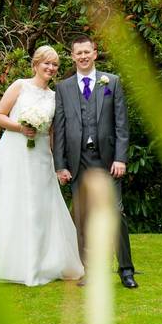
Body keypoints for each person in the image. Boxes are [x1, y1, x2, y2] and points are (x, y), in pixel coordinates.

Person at [0, 46, 84, 286]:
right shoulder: (19, 85)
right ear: (35, 65)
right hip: (13, 152)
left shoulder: (54, 97)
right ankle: (8, 263)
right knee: (13, 204)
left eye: (54, 65)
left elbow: (53, 132)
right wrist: (20, 127)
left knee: (39, 206)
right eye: (46, 63)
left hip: (39, 156)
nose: (50, 68)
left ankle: (39, 262)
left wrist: (56, 162)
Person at [53, 35, 138, 289]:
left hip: (107, 161)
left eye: (87, 52)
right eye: (78, 53)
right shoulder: (63, 88)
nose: (83, 56)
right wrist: (61, 165)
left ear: (95, 53)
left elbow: (121, 124)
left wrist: (121, 158)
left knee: (116, 214)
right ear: (72, 56)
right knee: (83, 218)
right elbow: (59, 128)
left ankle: (125, 270)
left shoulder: (111, 82)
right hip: (78, 162)